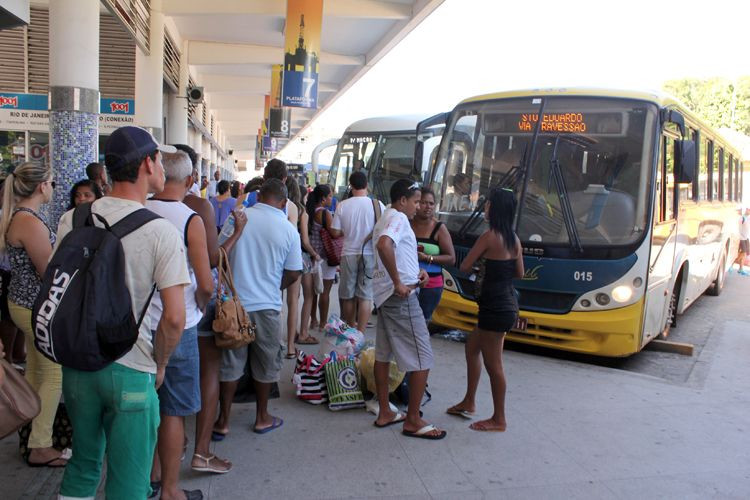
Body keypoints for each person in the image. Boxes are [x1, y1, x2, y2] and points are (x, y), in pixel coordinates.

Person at [56, 126, 191, 499]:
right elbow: (175, 318)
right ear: (147, 164)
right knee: (129, 480)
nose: (163, 166)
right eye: (160, 159)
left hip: (78, 364)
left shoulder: (75, 219)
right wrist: (160, 363)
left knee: (83, 464)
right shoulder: (160, 231)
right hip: (132, 368)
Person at [172, 143, 246, 475]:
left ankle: (166, 457)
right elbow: (214, 261)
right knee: (208, 374)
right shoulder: (197, 206)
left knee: (163, 385)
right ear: (189, 176)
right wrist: (238, 232)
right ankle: (201, 452)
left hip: (154, 310)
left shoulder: (143, 204)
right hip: (195, 306)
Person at [145, 151, 215, 500]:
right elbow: (205, 283)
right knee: (173, 410)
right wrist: (200, 305)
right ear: (189, 182)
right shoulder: (190, 219)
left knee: (144, 404)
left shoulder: (138, 211)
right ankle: (171, 490)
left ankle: (150, 476)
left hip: (139, 326)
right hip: (180, 325)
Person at [214, 179, 302, 436]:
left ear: (259, 196)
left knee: (231, 363)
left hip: (235, 306)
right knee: (266, 363)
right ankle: (262, 417)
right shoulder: (288, 229)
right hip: (267, 306)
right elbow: (294, 271)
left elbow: (219, 254)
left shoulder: (237, 218)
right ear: (284, 202)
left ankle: (223, 421)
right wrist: (275, 286)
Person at [0, 161, 65, 466]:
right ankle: (40, 445)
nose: (53, 188)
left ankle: (31, 433)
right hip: (34, 306)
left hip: (23, 304)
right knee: (54, 373)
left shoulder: (20, 217)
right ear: (42, 186)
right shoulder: (29, 221)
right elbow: (47, 272)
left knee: (37, 371)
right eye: (52, 183)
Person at [371, 179, 446, 440]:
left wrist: (416, 273)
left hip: (385, 297)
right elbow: (384, 245)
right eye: (415, 201)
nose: (418, 207)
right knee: (423, 356)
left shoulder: (385, 217)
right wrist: (398, 282)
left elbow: (395, 251)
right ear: (402, 200)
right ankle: (413, 419)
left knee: (383, 354)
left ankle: (385, 411)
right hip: (400, 298)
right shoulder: (399, 218)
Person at [447, 187, 523, 432]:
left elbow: (466, 265)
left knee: (494, 365)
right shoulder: (514, 239)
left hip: (494, 308)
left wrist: (484, 267)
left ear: (496, 208)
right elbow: (519, 273)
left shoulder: (489, 237)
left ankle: (499, 419)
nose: (485, 208)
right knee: (472, 347)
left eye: (488, 204)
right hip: (506, 304)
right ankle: (469, 401)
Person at [329, 171, 385, 332]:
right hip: (369, 254)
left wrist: (346, 231)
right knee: (366, 294)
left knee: (348, 294)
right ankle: (360, 333)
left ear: (351, 185)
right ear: (367, 184)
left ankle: (350, 330)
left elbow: (335, 231)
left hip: (348, 253)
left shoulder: (342, 205)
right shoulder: (377, 205)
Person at [284, 178, 320, 358]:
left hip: (280, 257)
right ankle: (296, 340)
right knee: (300, 299)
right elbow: (304, 240)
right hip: (297, 258)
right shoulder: (301, 212)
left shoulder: (281, 207)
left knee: (285, 301)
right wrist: (314, 254)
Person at [410, 187, 455, 321]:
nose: (428, 207)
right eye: (423, 202)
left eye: (431, 203)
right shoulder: (406, 223)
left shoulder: (439, 228)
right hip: (407, 283)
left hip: (431, 286)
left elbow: (451, 258)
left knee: (421, 323)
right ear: (416, 203)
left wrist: (428, 258)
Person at [306, 184, 337, 331]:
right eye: (330, 195)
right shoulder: (325, 214)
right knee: (325, 292)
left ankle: (313, 320)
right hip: (326, 256)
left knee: (312, 292)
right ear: (323, 198)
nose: (332, 198)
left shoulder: (308, 211)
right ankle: (323, 323)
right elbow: (334, 233)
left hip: (312, 256)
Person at [243, 159, 298, 225]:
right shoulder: (291, 208)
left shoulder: (244, 198)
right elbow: (292, 234)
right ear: (284, 179)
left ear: (264, 178)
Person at [736, 207, 750, 276]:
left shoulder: (748, 218)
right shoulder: (742, 218)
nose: (749, 211)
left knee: (745, 253)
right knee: (743, 253)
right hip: (741, 238)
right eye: (748, 209)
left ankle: (740, 268)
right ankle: (737, 264)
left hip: (746, 238)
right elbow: (738, 226)